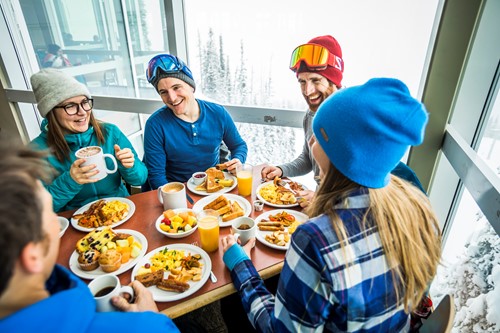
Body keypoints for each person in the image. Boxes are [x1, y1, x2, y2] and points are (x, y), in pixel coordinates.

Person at [222, 78, 442, 332]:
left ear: (341, 151)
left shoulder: (314, 239)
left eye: (319, 135)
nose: (311, 140)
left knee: (231, 304)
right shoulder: (412, 206)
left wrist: (241, 266)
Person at [0, 141, 180, 333]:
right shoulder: (149, 327)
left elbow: (139, 175)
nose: (82, 111)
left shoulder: (60, 283)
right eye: (52, 216)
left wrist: (129, 166)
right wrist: (151, 319)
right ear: (32, 256)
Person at [261, 35, 425, 206]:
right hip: (322, 201)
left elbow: (365, 189)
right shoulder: (310, 116)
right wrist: (282, 170)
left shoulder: (353, 119)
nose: (307, 91)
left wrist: (324, 199)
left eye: (315, 80)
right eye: (302, 81)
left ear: (333, 81)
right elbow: (308, 158)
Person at [29, 68, 148, 212]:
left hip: (119, 209)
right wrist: (70, 182)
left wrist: (130, 166)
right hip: (74, 219)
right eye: (70, 106)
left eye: (85, 102)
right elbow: (37, 209)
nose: (82, 111)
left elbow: (140, 179)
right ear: (51, 112)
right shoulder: (35, 151)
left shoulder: (110, 132)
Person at [143, 53, 248, 189]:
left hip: (213, 187)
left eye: (176, 87)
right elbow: (157, 176)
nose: (172, 98)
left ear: (191, 86)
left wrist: (238, 161)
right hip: (177, 190)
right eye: (163, 92)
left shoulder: (218, 113)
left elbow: (239, 145)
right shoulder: (155, 125)